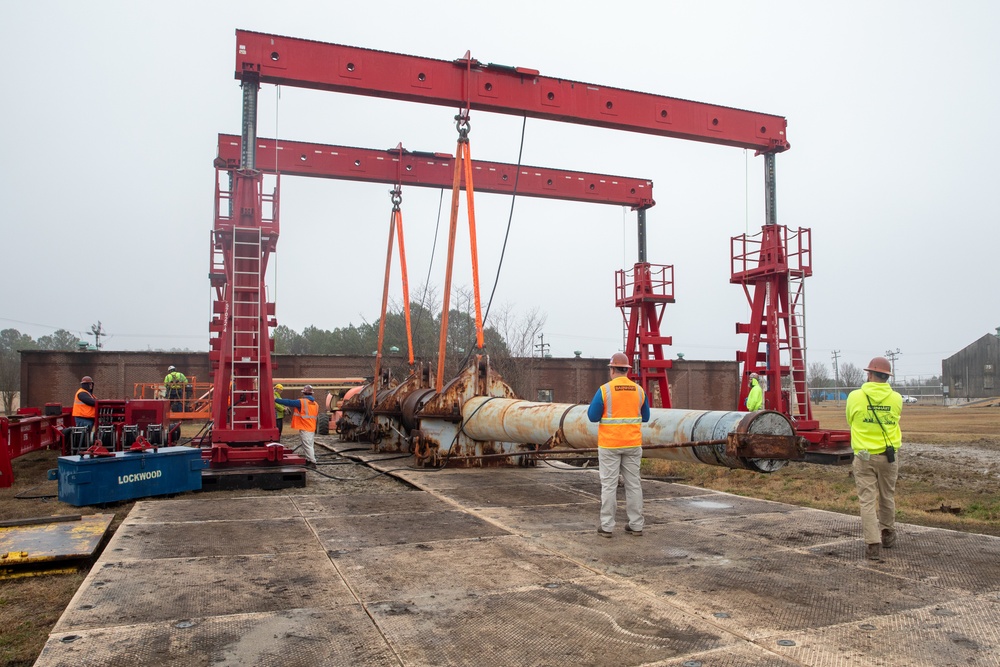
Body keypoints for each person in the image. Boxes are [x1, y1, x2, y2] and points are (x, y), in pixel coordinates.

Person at [846, 356, 903, 561]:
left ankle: (873, 544)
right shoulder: (896, 398)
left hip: (864, 456)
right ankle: (888, 534)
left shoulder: (855, 396)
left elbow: (850, 419)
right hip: (888, 456)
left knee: (867, 501)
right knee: (887, 496)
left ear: (870, 374)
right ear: (887, 376)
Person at [587, 352, 650, 538]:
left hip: (610, 445)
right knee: (633, 485)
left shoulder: (605, 390)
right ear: (627, 370)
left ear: (612, 369)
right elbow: (645, 417)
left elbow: (592, 416)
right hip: (632, 444)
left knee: (609, 485)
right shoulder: (639, 391)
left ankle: (607, 527)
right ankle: (636, 525)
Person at [274, 385, 319, 467]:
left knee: (308, 445)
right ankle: (309, 460)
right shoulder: (315, 404)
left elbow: (288, 402)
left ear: (303, 393)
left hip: (305, 427)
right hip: (311, 427)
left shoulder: (301, 402)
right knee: (308, 444)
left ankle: (312, 462)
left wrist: (275, 399)